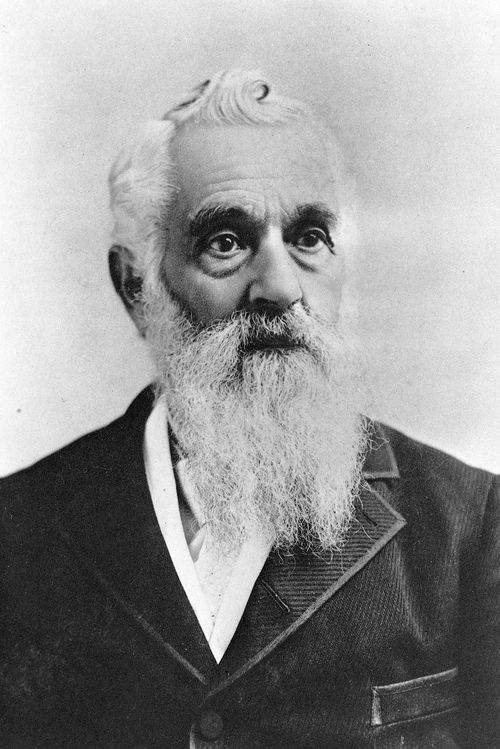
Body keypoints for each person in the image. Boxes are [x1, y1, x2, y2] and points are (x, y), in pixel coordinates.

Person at [0, 70, 498, 749]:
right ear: (136, 286)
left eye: (310, 236)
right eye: (226, 242)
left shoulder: (470, 528)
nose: (282, 287)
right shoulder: (17, 532)